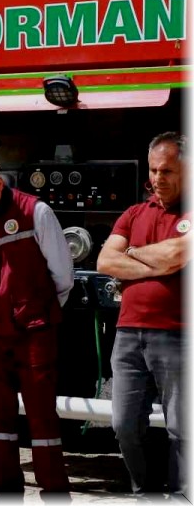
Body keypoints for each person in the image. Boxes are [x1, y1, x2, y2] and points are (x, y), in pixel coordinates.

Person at [0, 157, 73, 498]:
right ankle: (5, 493)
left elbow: (62, 274)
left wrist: (41, 310)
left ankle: (54, 493)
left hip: (33, 329)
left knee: (41, 417)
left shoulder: (35, 212)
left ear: (0, 185)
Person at [97, 132, 187, 496]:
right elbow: (105, 260)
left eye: (166, 171)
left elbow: (176, 256)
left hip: (179, 335)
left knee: (183, 429)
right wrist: (157, 263)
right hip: (129, 333)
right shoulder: (135, 212)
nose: (157, 179)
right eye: (153, 170)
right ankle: (145, 492)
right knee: (124, 424)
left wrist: (132, 254)